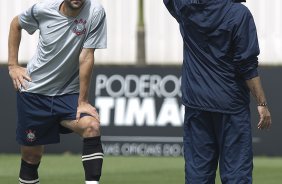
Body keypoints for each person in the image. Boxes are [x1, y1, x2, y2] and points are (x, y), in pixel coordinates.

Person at [163, 0, 271, 183]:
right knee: (237, 175)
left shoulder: (186, 8)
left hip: (196, 103)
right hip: (231, 106)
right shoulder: (239, 14)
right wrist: (262, 103)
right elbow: (248, 66)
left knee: (198, 175)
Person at [8, 0, 106, 183]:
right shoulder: (42, 9)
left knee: (92, 126)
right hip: (34, 93)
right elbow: (15, 24)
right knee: (31, 157)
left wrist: (83, 101)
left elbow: (87, 56)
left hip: (67, 93)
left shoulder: (95, 11)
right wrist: (13, 65)